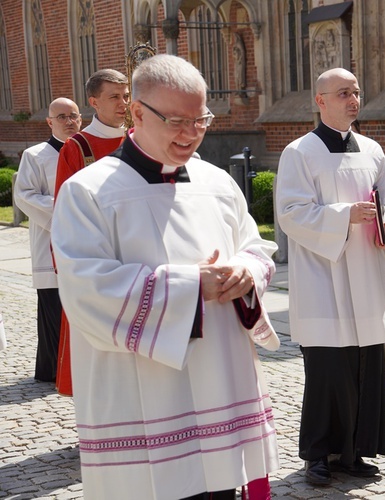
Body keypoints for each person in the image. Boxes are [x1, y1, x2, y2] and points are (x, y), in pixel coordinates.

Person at [50, 54, 280, 500]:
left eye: (201, 120)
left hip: (220, 385)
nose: (191, 133)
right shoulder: (89, 191)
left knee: (219, 488)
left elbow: (257, 247)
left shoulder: (217, 183)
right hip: (143, 399)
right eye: (176, 120)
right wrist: (192, 286)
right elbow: (85, 289)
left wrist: (246, 272)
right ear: (136, 112)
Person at [275, 67, 385, 485]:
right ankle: (318, 453)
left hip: (365, 272)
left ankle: (353, 452)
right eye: (343, 93)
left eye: (356, 91)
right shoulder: (299, 152)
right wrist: (342, 217)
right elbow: (291, 213)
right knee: (328, 369)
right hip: (323, 277)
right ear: (320, 101)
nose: (353, 100)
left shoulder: (371, 150)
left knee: (364, 366)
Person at [54, 68, 129, 396]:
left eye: (126, 95)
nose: (123, 103)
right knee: (94, 347)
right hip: (96, 260)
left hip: (136, 255)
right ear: (93, 102)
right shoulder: (77, 147)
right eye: (114, 96)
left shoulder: (140, 138)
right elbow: (63, 212)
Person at [13, 97, 81, 382]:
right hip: (50, 241)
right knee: (53, 311)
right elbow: (24, 195)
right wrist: (71, 208)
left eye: (73, 115)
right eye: (61, 116)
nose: (69, 121)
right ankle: (52, 371)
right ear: (49, 122)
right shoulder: (35, 155)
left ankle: (81, 370)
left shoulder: (85, 150)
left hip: (89, 244)